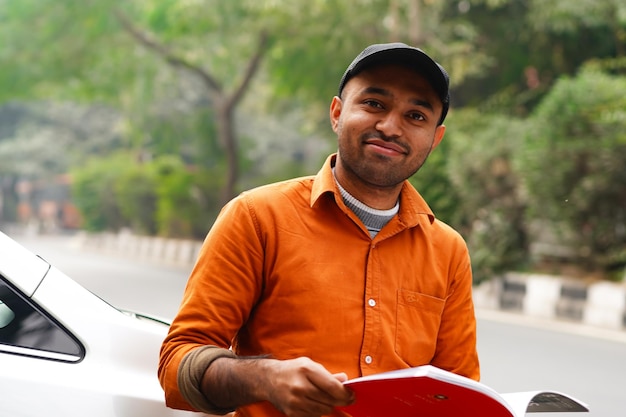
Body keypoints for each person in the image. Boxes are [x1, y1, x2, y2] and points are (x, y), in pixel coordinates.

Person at [158, 42, 480, 417]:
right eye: (374, 104)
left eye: (416, 116)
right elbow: (176, 365)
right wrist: (265, 378)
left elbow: (458, 394)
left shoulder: (448, 250)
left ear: (435, 139)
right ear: (337, 113)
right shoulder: (257, 217)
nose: (390, 127)